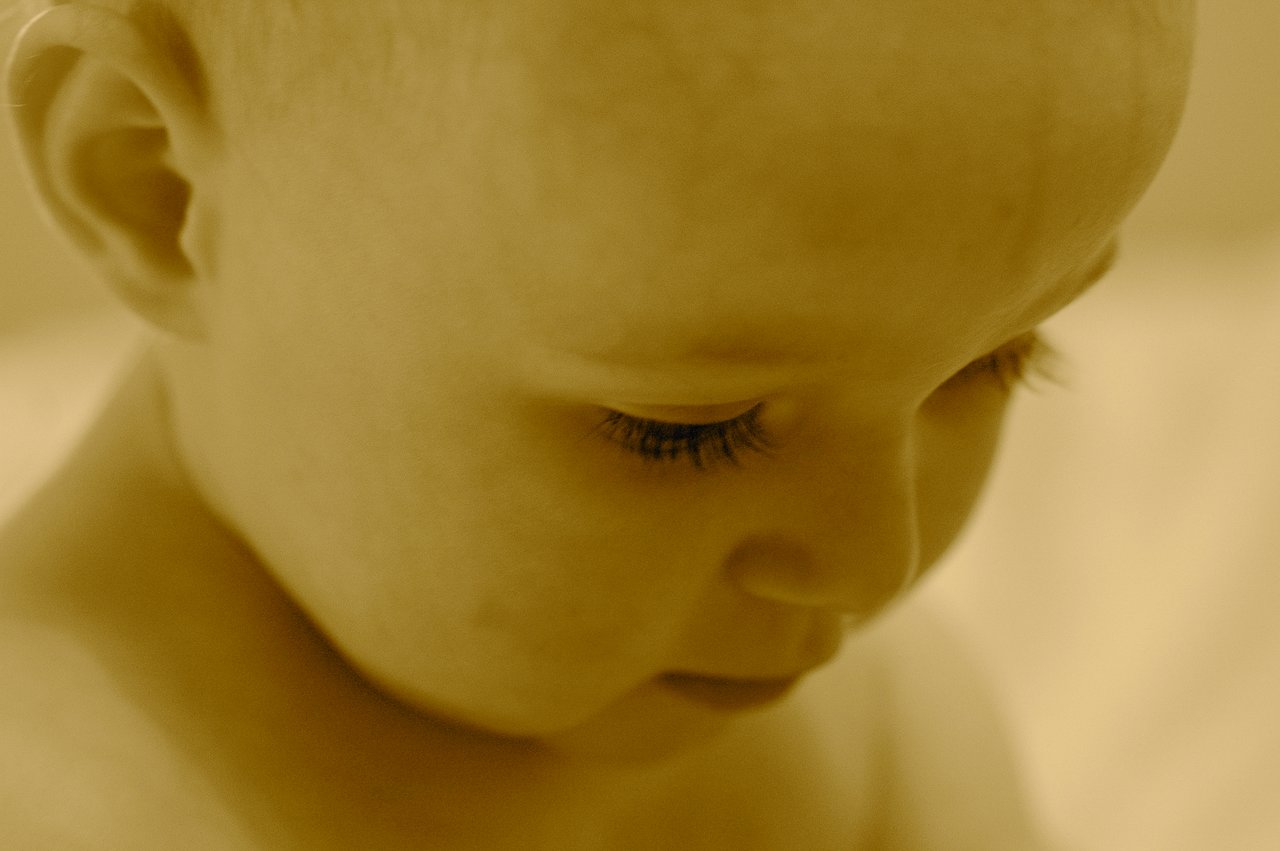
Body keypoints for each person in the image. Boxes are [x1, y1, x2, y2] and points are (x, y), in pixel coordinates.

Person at [0, 1, 1194, 848]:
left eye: (995, 358)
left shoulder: (878, 734)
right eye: (688, 428)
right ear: (154, 188)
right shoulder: (57, 800)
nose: (871, 561)